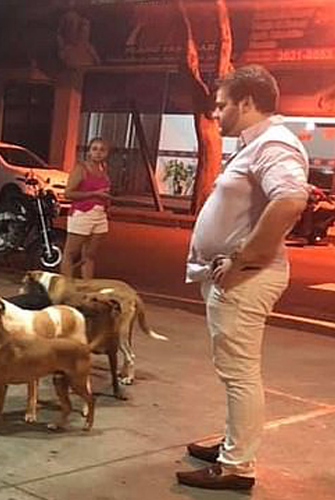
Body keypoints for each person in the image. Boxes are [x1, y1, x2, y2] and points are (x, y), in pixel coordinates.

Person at [178, 65, 309, 490]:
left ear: (247, 102)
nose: (215, 113)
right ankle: (232, 445)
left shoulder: (274, 143)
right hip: (235, 278)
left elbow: (289, 200)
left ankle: (236, 466)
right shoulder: (255, 145)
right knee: (234, 372)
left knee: (240, 374)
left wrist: (243, 260)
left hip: (245, 280)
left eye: (221, 105)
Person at [61, 137, 111, 279]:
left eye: (102, 150)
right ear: (89, 152)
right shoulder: (81, 169)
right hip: (82, 213)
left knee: (89, 255)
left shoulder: (104, 168)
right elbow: (68, 193)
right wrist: (94, 194)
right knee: (71, 253)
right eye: (94, 149)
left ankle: (87, 286)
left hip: (100, 215)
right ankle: (66, 285)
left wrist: (107, 202)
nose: (98, 153)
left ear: (107, 153)